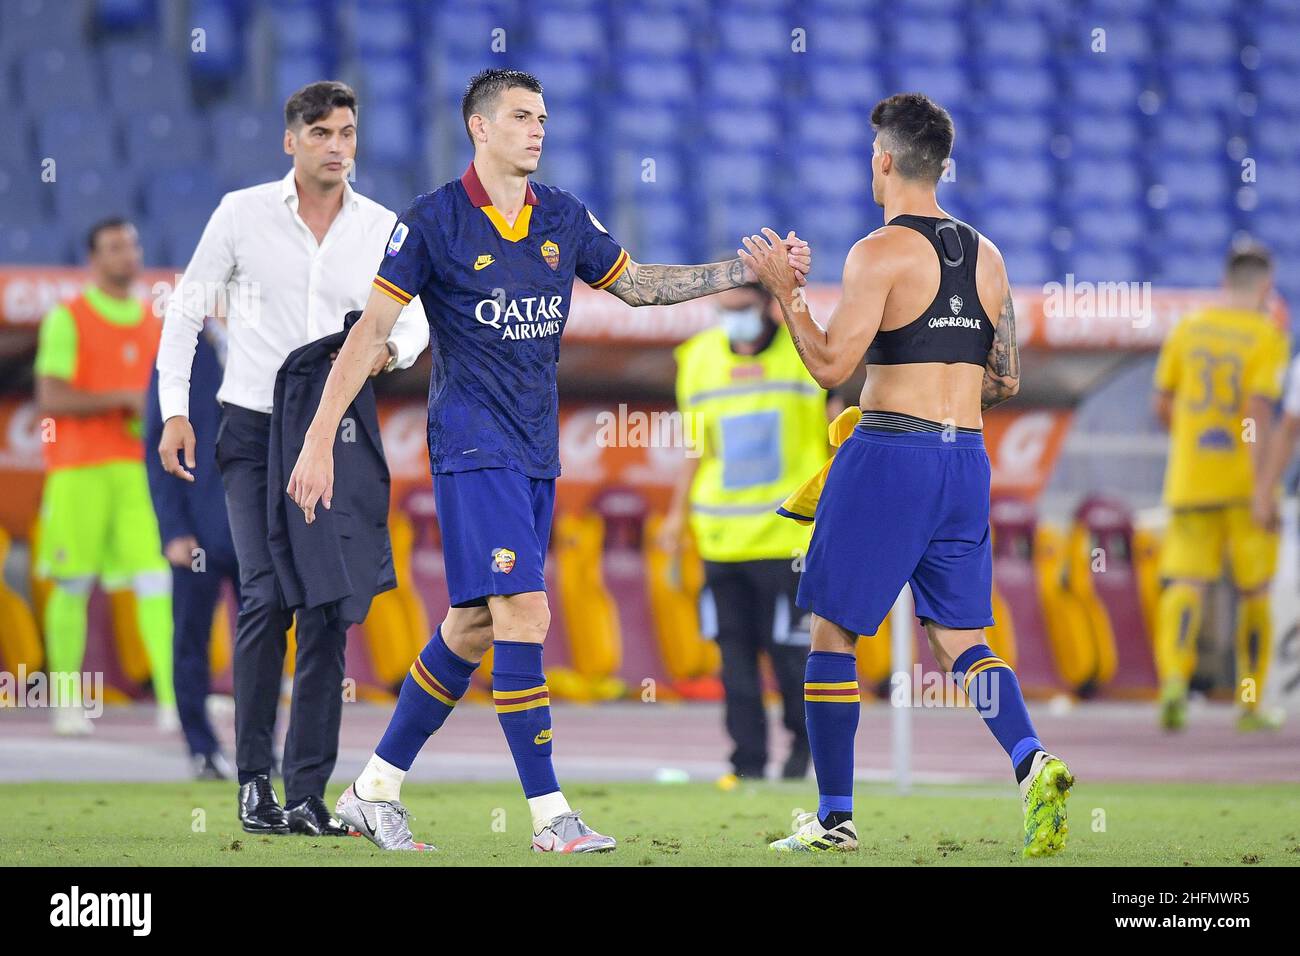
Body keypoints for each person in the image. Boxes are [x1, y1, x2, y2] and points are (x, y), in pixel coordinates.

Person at [286, 68, 810, 853]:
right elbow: (370, 334)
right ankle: (549, 815)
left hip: (535, 453)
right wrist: (320, 435)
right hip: (472, 447)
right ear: (480, 128)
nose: (538, 129)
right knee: (526, 614)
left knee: (470, 627)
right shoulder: (431, 222)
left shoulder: (561, 214)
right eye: (523, 116)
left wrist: (745, 272)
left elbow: (637, 286)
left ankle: (372, 789)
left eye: (543, 117)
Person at [740, 93, 1072, 857]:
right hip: (966, 461)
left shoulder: (878, 251)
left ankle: (833, 817)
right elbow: (1006, 378)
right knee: (962, 637)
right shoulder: (988, 255)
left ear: (884, 160)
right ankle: (1032, 762)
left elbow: (829, 363)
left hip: (891, 453)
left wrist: (784, 291)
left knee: (832, 631)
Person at [155, 81, 430, 836]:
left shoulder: (380, 226)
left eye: (347, 132)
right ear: (291, 141)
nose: (338, 146)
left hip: (336, 434)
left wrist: (388, 354)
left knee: (327, 611)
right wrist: (176, 411)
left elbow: (417, 324)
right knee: (264, 596)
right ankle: (252, 783)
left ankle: (307, 792)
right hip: (249, 431)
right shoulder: (241, 214)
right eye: (321, 133)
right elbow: (184, 311)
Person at [660, 282, 827, 784]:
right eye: (723, 310)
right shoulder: (697, 358)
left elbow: (832, 424)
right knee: (734, 660)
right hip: (720, 538)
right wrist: (675, 517)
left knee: (792, 657)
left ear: (765, 306)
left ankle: (803, 752)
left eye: (741, 309)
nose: (732, 318)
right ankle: (747, 764)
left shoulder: (804, 354)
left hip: (786, 539)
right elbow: (695, 448)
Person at [34, 217, 173, 736]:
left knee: (157, 580)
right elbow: (49, 398)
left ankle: (172, 698)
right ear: (92, 259)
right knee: (73, 583)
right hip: (77, 472)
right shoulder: (68, 318)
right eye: (114, 247)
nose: (127, 255)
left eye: (133, 245)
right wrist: (120, 399)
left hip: (138, 472)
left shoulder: (153, 321)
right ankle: (67, 700)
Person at [1154, 244, 1289, 733]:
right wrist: (1260, 486)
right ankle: (1249, 704)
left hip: (1191, 479)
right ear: (1265, 287)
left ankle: (1173, 684)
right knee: (1254, 591)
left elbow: (1162, 404)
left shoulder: (1188, 328)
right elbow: (1256, 413)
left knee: (1186, 584)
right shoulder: (1266, 336)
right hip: (1243, 483)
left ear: (1224, 282)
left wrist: (1195, 440)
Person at [145, 316, 239, 779]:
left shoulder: (266, 337)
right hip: (198, 530)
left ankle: (260, 751)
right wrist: (173, 529)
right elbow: (154, 443)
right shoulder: (179, 352)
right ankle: (201, 747)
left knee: (263, 645)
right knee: (191, 641)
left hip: (256, 529)